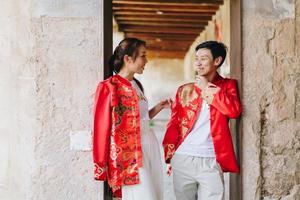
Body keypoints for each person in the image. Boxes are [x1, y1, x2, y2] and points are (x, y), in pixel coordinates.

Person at [163, 41, 242, 200]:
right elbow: (174, 125)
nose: (198, 63)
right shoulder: (184, 90)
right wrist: (170, 154)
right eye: (196, 58)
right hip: (183, 157)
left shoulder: (228, 86)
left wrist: (207, 88)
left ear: (217, 61)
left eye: (204, 58)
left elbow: (233, 112)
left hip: (211, 159)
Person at [93, 38, 171, 200]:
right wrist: (101, 165)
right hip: (128, 154)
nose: (146, 60)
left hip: (148, 145)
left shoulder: (136, 85)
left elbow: (139, 119)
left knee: (154, 194)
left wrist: (158, 107)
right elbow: (101, 128)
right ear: (128, 59)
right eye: (143, 55)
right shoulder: (109, 86)